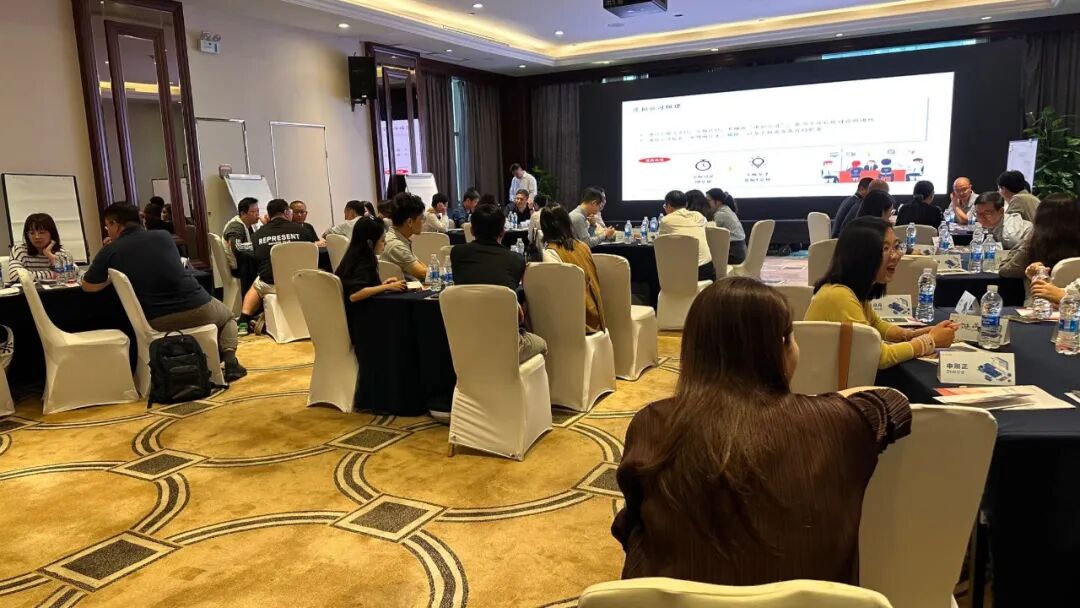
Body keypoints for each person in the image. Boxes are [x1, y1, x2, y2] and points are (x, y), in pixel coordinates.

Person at [613, 276, 912, 586]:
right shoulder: (837, 422)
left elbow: (634, 518)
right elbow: (895, 403)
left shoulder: (652, 422)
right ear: (782, 347)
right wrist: (830, 401)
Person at [81, 202, 246, 380]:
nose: (107, 230)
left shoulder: (111, 250)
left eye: (107, 226)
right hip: (199, 308)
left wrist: (111, 277)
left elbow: (88, 286)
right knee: (228, 317)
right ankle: (230, 362)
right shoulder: (164, 236)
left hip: (156, 320)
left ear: (115, 224)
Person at [805, 216, 957, 368]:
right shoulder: (839, 296)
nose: (896, 255)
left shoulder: (853, 290)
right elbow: (877, 356)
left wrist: (912, 335)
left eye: (896, 246)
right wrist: (929, 341)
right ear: (861, 256)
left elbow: (875, 324)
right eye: (885, 249)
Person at [451, 204, 548, 362]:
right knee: (542, 344)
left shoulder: (457, 253)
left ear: (472, 230)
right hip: (506, 343)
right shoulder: (516, 260)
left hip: (465, 341)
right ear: (503, 231)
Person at [238, 199, 317, 331]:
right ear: (286, 212)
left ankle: (243, 320)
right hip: (301, 283)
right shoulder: (303, 231)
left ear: (269, 215)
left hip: (272, 284)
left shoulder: (257, 235)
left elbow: (256, 259)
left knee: (256, 285)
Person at [999, 195, 1080, 302]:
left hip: (1038, 304)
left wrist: (1028, 237)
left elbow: (1006, 270)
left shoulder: (1035, 244)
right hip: (1069, 306)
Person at [539, 205, 606, 334]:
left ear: (544, 227)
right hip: (596, 315)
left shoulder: (551, 253)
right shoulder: (583, 246)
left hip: (576, 321)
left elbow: (556, 293)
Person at [334, 217, 407, 302]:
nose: (385, 243)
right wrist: (386, 287)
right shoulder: (363, 262)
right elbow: (354, 295)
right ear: (369, 243)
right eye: (382, 240)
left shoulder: (353, 256)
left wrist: (383, 286)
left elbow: (362, 287)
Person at [659, 190, 714, 281]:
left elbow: (661, 244)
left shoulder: (666, 220)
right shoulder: (699, 216)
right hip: (707, 269)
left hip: (684, 273)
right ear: (686, 204)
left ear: (669, 206)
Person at [8, 213, 75, 283]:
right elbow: (15, 275)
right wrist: (54, 274)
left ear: (51, 234)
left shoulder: (62, 252)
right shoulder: (19, 250)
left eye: (42, 232)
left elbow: (72, 274)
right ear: (27, 235)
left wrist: (52, 258)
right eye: (32, 233)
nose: (37, 237)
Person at [380, 192, 429, 281]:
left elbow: (422, 267)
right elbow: (423, 273)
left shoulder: (398, 238)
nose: (423, 222)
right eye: (422, 218)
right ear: (410, 222)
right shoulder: (396, 245)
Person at [707, 188, 746, 265]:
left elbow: (709, 234)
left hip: (734, 255)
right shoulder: (727, 209)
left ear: (717, 201)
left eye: (708, 200)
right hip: (740, 252)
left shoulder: (720, 215)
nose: (707, 204)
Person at [222, 197, 259, 270]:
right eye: (253, 212)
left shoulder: (248, 224)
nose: (257, 214)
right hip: (240, 269)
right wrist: (257, 246)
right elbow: (237, 247)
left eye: (258, 211)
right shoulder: (235, 227)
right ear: (243, 214)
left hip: (246, 264)